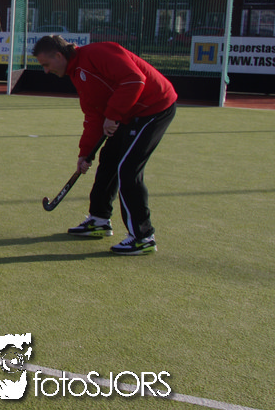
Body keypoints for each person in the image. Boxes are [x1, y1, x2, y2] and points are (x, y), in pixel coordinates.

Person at [32, 35, 178, 255]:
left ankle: (143, 237)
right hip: (129, 112)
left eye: (46, 64)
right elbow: (93, 115)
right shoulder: (76, 73)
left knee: (128, 169)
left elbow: (134, 79)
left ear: (59, 56)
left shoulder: (97, 53)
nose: (45, 71)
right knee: (109, 159)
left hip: (153, 107)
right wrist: (85, 153)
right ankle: (99, 220)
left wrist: (113, 114)